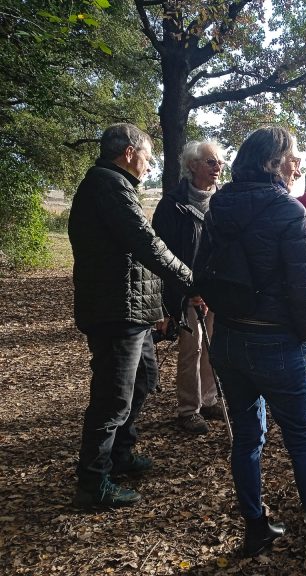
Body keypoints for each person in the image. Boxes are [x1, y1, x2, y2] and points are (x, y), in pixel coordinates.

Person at [195, 127, 306, 569]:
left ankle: (255, 527)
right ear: (272, 162)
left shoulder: (220, 203)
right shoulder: (287, 211)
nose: (295, 163)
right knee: (301, 438)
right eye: (291, 156)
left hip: (228, 339)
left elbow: (205, 268)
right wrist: (303, 336)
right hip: (276, 341)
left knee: (246, 437)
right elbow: (304, 288)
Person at [68, 123, 201, 508]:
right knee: (113, 398)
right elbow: (147, 244)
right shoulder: (107, 184)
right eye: (147, 156)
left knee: (144, 379)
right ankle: (93, 485)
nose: (149, 164)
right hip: (115, 310)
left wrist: (159, 306)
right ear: (129, 152)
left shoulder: (115, 185)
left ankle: (120, 455)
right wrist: (191, 280)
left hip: (133, 308)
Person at [153, 140, 226, 435]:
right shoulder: (172, 205)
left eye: (220, 162)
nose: (217, 167)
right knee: (191, 349)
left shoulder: (224, 201)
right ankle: (188, 410)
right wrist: (184, 291)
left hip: (218, 288)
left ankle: (208, 400)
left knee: (214, 348)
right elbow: (160, 254)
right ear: (193, 165)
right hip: (185, 289)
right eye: (211, 162)